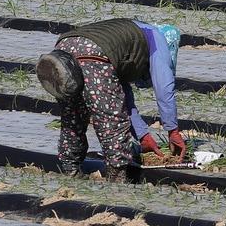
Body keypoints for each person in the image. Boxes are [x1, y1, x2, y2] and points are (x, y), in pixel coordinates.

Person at [36, 18, 184, 182]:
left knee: (73, 115)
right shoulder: (158, 38)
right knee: (110, 119)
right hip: (94, 52)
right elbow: (164, 88)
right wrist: (173, 131)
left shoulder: (128, 40)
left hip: (63, 50)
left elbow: (123, 100)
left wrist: (143, 136)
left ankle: (70, 169)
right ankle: (117, 177)